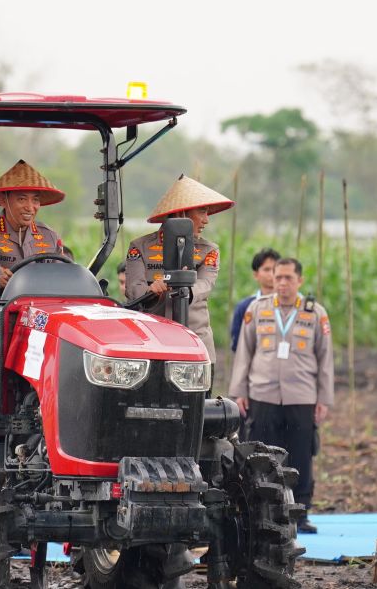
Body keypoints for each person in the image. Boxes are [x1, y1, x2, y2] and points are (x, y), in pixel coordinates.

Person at [228, 258, 333, 534]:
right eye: (278, 278)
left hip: (301, 396)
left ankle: (300, 513)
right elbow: (244, 353)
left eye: (288, 278)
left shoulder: (315, 313)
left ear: (300, 280)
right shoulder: (257, 309)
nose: (283, 283)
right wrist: (239, 391)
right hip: (262, 394)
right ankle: (260, 513)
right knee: (261, 455)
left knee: (301, 455)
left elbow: (325, 358)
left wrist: (324, 398)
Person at [125, 175, 232, 363]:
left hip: (196, 342)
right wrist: (151, 292)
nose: (206, 220)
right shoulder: (139, 247)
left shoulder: (209, 250)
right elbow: (134, 289)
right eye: (202, 212)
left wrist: (184, 289)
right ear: (181, 213)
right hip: (151, 341)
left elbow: (205, 284)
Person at [0, 159, 66, 289]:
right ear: (3, 201)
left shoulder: (50, 236)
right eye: (22, 199)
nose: (30, 207)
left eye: (35, 200)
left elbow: (63, 276)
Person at [229, 248, 281, 352]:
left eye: (275, 270)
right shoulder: (245, 307)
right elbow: (237, 344)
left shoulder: (291, 304)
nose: (272, 274)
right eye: (267, 269)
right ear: (256, 275)